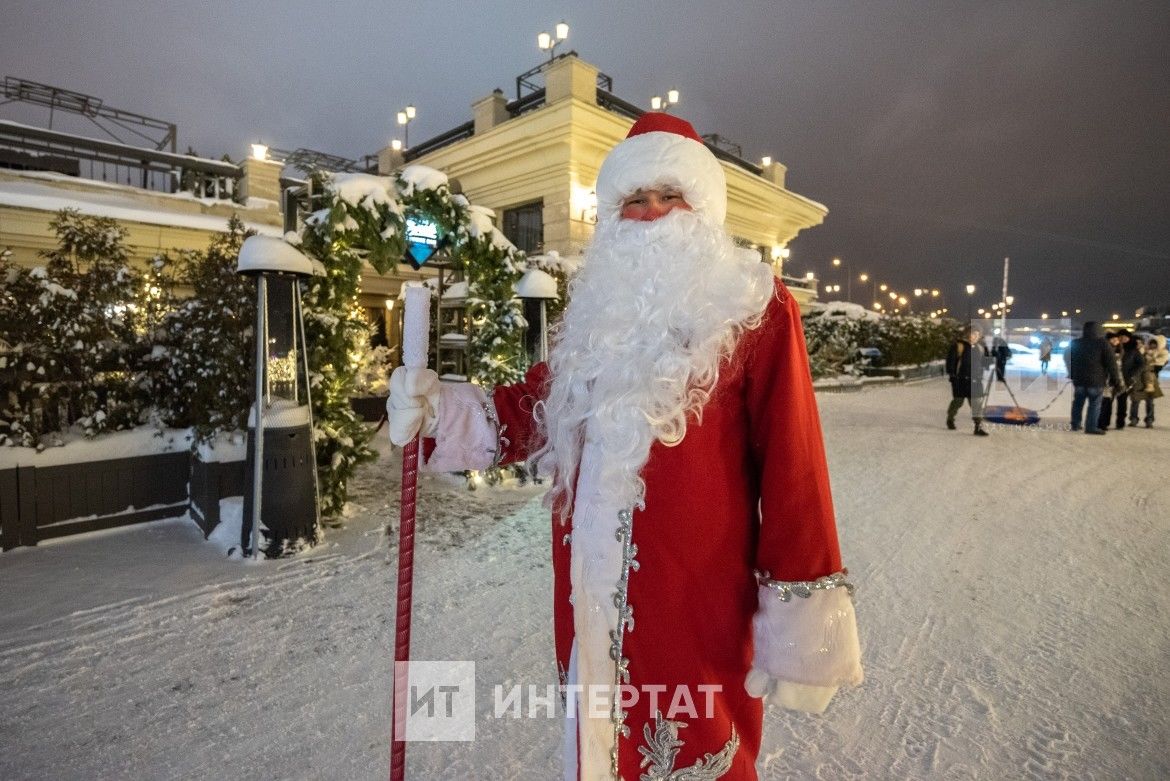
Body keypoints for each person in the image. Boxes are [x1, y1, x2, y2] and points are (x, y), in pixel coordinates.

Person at [388, 113, 862, 780]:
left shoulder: (755, 307)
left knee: (689, 752)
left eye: (670, 196)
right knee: (596, 747)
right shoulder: (595, 320)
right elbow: (531, 409)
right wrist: (437, 410)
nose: (652, 213)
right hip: (586, 602)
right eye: (635, 200)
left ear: (703, 207)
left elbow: (796, 467)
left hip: (694, 608)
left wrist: (800, 622)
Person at [1066, 322, 1123, 434]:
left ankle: (1075, 424)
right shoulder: (1103, 343)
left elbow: (1070, 360)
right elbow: (1111, 364)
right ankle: (1091, 427)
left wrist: (1072, 374)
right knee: (1094, 404)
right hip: (1096, 380)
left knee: (1078, 402)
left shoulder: (1076, 343)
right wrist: (1116, 381)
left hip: (1079, 380)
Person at [945, 325, 991, 436]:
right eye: (972, 333)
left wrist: (992, 358)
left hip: (975, 381)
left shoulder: (981, 347)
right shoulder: (959, 346)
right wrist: (952, 376)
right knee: (957, 402)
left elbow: (986, 364)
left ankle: (978, 427)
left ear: (979, 336)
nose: (974, 336)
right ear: (967, 334)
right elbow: (950, 362)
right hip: (960, 380)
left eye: (976, 334)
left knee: (976, 405)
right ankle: (950, 418)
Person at [1129, 338, 1162, 427]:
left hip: (1150, 379)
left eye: (1140, 343)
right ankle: (1134, 419)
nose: (1138, 345)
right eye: (1137, 343)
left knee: (1149, 401)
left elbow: (1159, 366)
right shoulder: (1133, 353)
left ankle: (1149, 420)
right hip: (1137, 378)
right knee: (1135, 400)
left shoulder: (1155, 353)